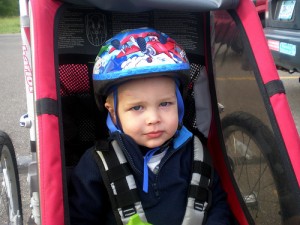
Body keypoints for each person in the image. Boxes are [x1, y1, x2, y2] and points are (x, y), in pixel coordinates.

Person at [68, 27, 233, 225]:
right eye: (137, 107)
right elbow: (80, 218)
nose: (153, 118)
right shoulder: (96, 165)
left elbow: (216, 204)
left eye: (165, 104)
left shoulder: (196, 153)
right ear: (113, 112)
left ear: (180, 103)